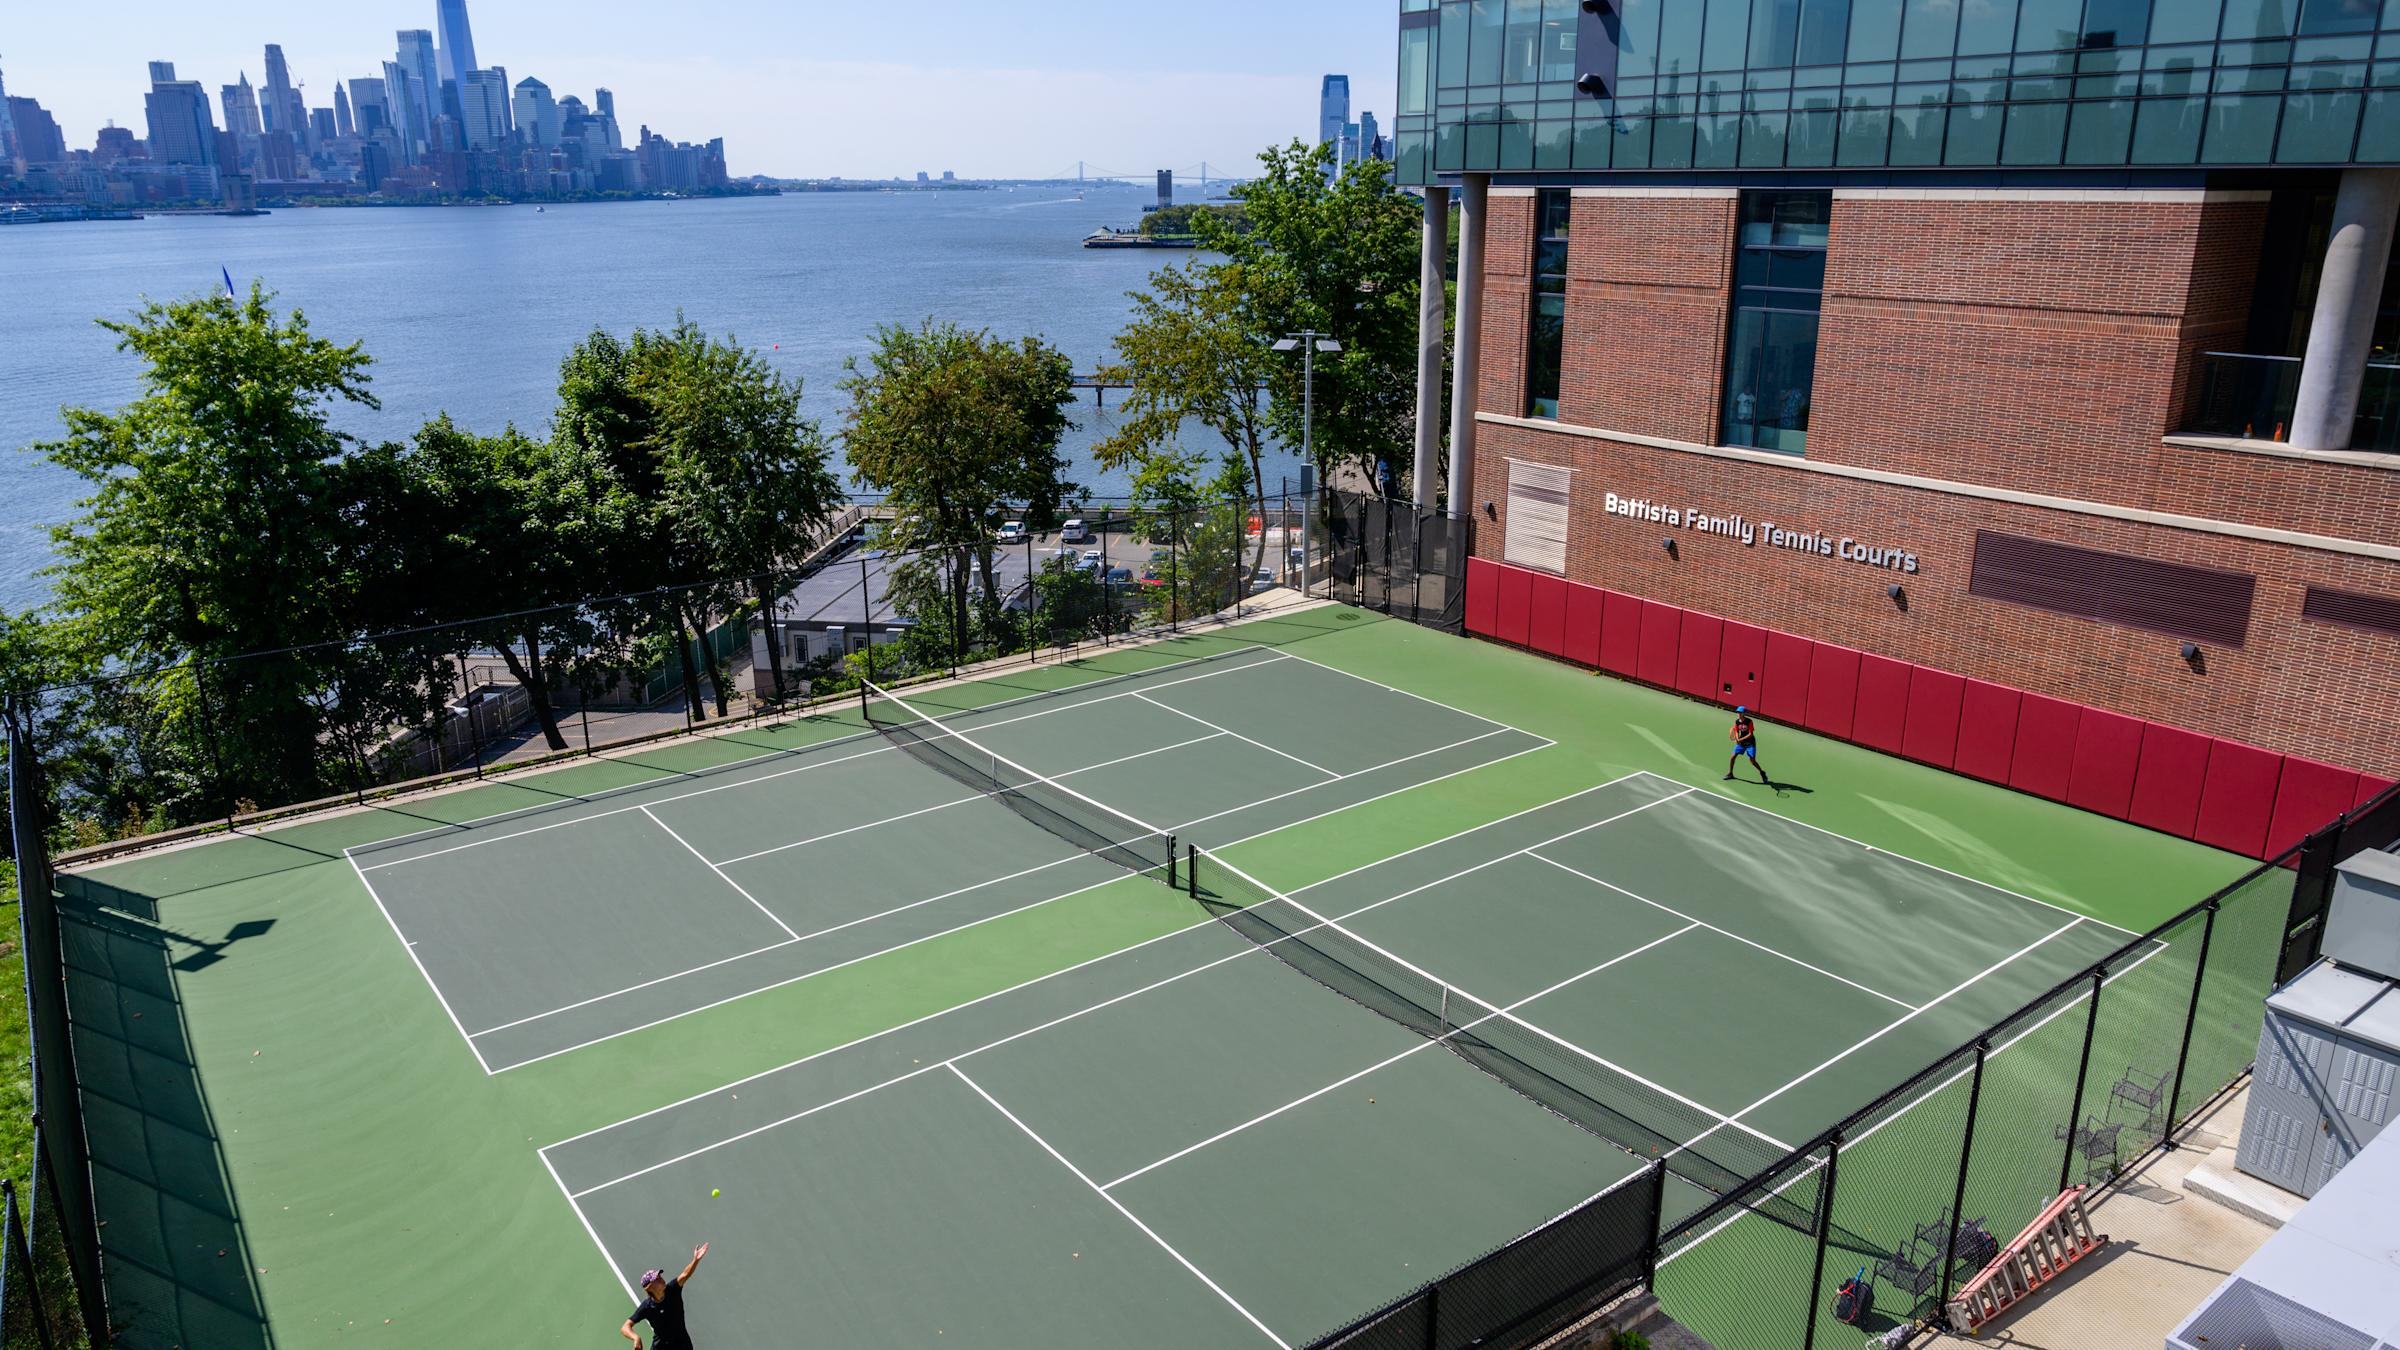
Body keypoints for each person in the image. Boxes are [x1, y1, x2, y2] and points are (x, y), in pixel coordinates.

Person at [621, 1243, 708, 1350]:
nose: (661, 1278)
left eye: (660, 1276)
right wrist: (636, 1338)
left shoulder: (672, 1289)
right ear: (649, 1287)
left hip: (682, 1345)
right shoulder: (647, 1307)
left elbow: (685, 1274)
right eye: (657, 1279)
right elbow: (625, 1327)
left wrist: (695, 1260)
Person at [1725, 707, 1768, 784]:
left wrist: (1740, 740)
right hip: (1741, 743)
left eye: (1740, 712)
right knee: (1732, 757)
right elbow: (1736, 731)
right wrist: (1737, 738)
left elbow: (1750, 734)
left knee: (1752, 761)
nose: (1738, 714)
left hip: (1750, 743)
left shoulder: (1749, 721)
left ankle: (1762, 772)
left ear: (1744, 713)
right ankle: (1730, 773)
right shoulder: (1737, 721)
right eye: (1738, 712)